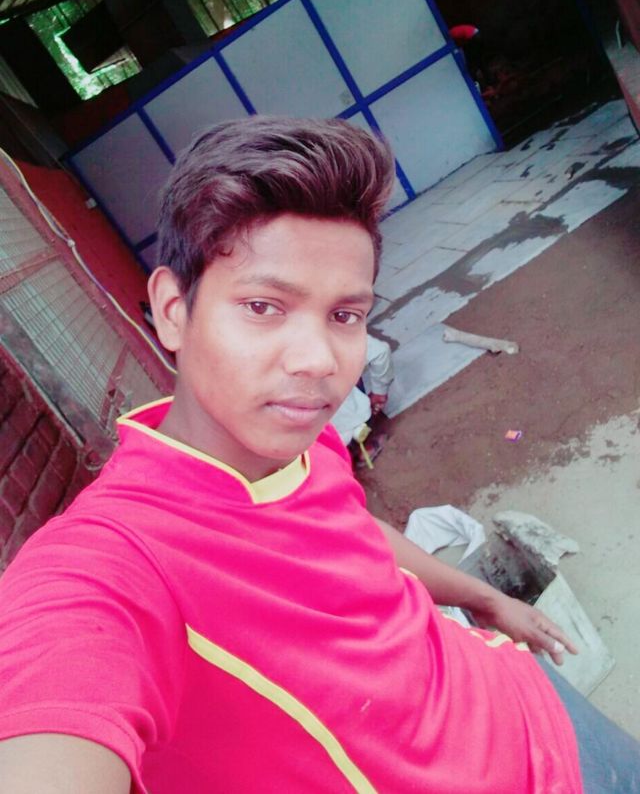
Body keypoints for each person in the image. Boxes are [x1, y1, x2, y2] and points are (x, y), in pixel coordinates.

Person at [0, 115, 637, 793]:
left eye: (344, 316)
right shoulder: (112, 566)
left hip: (526, 698)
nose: (319, 362)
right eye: (263, 306)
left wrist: (487, 600)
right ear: (173, 310)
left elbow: (355, 535)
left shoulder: (309, 441)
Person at [331, 333, 393, 464]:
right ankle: (363, 450)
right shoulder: (328, 333)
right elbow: (380, 352)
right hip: (351, 424)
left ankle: (342, 465)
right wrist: (379, 392)